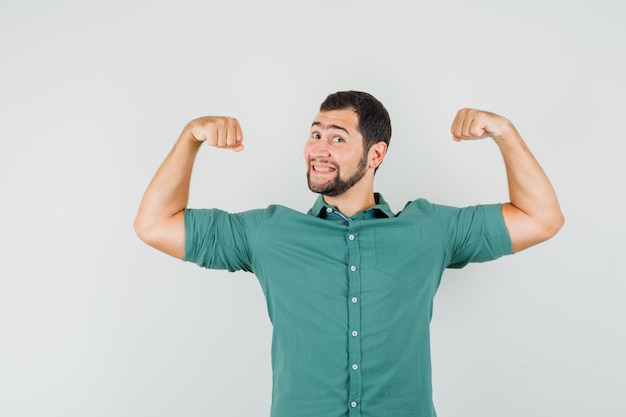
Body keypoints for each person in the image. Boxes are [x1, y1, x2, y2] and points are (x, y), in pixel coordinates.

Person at [134, 91, 564, 417]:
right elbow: (154, 225)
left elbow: (542, 218)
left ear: (375, 154)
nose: (318, 148)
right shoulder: (268, 232)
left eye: (337, 138)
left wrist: (504, 133)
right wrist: (191, 137)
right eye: (315, 134)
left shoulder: (430, 229)